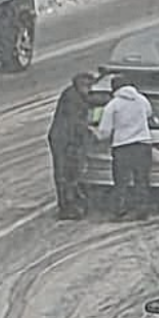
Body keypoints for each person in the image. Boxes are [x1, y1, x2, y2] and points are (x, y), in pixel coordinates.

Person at [93, 75, 153, 220]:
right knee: (141, 179)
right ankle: (142, 209)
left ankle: (120, 209)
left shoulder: (113, 105)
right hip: (143, 146)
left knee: (121, 181)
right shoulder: (142, 100)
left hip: (122, 148)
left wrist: (95, 135)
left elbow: (104, 132)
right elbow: (149, 113)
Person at [46, 72, 95, 220]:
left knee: (70, 173)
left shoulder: (75, 95)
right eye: (88, 86)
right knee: (65, 173)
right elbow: (74, 121)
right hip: (64, 139)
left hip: (68, 139)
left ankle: (71, 204)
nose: (89, 89)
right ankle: (67, 207)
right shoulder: (72, 98)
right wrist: (90, 131)